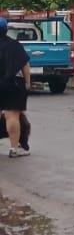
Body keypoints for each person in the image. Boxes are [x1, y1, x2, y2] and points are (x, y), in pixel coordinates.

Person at [0, 17, 30, 157]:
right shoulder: (15, 45)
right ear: (6, 29)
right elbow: (25, 65)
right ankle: (14, 149)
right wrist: (28, 83)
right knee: (12, 115)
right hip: (12, 84)